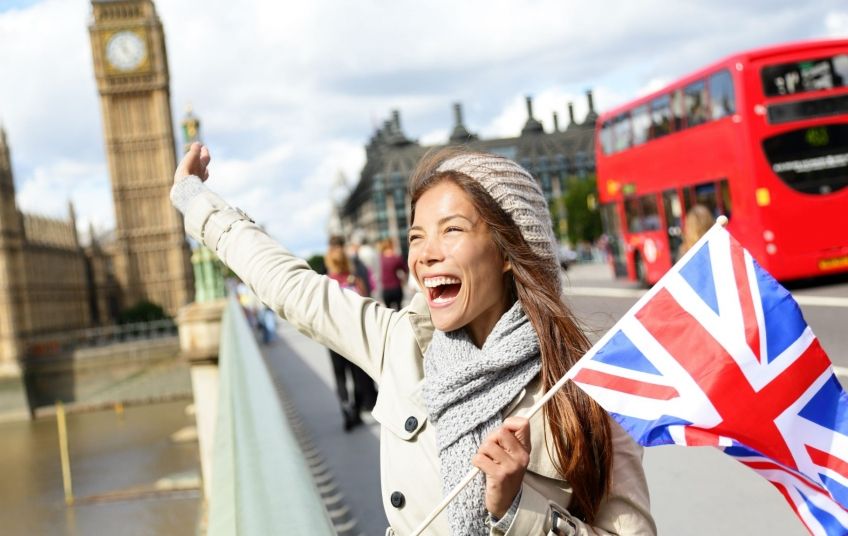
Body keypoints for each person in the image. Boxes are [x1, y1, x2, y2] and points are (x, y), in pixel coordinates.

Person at [172, 143, 655, 535]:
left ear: (509, 251)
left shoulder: (584, 387)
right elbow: (293, 288)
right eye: (417, 236)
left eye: (452, 230)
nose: (424, 255)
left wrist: (520, 513)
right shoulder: (401, 345)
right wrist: (197, 203)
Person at [324, 244, 379, 431]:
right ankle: (357, 410)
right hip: (354, 337)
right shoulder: (354, 280)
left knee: (340, 376)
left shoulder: (327, 284)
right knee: (357, 375)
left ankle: (346, 408)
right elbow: (366, 304)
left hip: (333, 337)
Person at [379, 238, 408, 310]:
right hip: (396, 287)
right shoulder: (397, 258)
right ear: (392, 245)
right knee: (399, 309)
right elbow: (405, 270)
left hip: (385, 288)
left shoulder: (380, 258)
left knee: (388, 310)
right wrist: (403, 281)